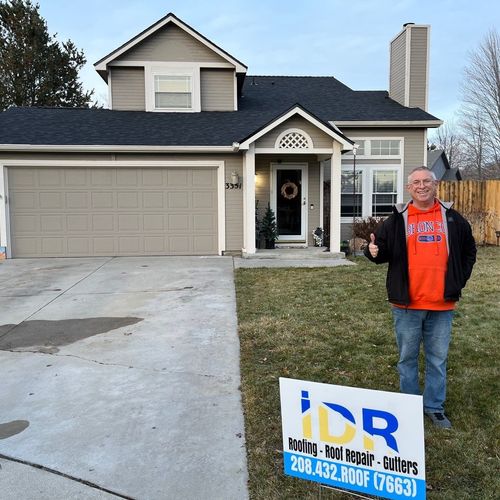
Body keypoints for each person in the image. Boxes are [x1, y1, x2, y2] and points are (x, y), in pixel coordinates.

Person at [365, 166, 476, 428]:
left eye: (427, 181)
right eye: (416, 182)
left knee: (438, 359)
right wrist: (371, 251)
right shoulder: (397, 220)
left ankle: (434, 407)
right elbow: (379, 252)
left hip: (442, 303)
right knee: (407, 358)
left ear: (436, 184)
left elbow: (469, 251)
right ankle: (409, 407)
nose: (422, 186)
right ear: (409, 188)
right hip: (407, 304)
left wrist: (458, 280)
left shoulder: (452, 219)